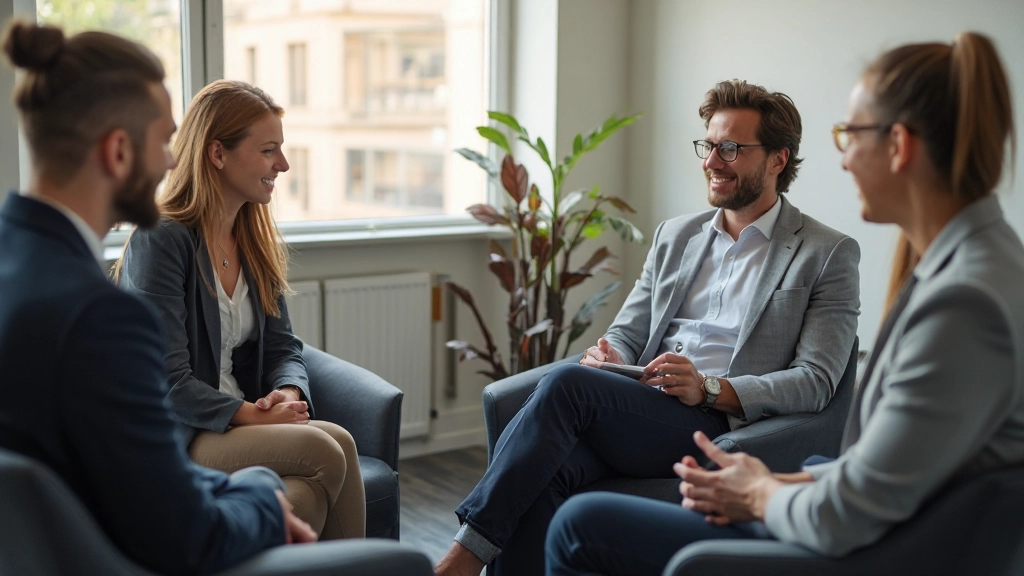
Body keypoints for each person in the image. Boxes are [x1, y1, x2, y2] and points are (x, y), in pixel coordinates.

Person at [545, 31, 1024, 576]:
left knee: (581, 525)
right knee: (567, 481)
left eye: (849, 135)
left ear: (900, 146)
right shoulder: (975, 266)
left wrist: (757, 493)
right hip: (857, 518)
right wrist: (781, 480)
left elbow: (851, 509)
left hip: (865, 552)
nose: (842, 162)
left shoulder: (963, 303)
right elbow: (893, 471)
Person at [436, 80, 861, 576]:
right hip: (638, 401)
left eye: (731, 148)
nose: (712, 161)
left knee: (566, 384)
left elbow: (816, 381)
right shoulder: (676, 235)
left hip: (716, 421)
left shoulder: (825, 252)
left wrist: (709, 389)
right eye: (708, 145)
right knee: (549, 472)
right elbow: (628, 330)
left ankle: (460, 561)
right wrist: (611, 354)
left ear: (777, 160)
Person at [0, 21, 317, 575]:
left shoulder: (18, 266)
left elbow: (120, 464)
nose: (173, 162)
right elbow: (181, 533)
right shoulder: (99, 317)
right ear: (119, 150)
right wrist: (262, 496)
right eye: (163, 140)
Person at [113, 79, 365, 540]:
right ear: (217, 153)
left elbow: (284, 346)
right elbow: (165, 382)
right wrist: (251, 414)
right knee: (329, 449)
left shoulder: (253, 238)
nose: (283, 165)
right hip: (183, 431)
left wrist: (288, 392)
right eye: (269, 150)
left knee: (315, 480)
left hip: (240, 421)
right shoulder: (161, 240)